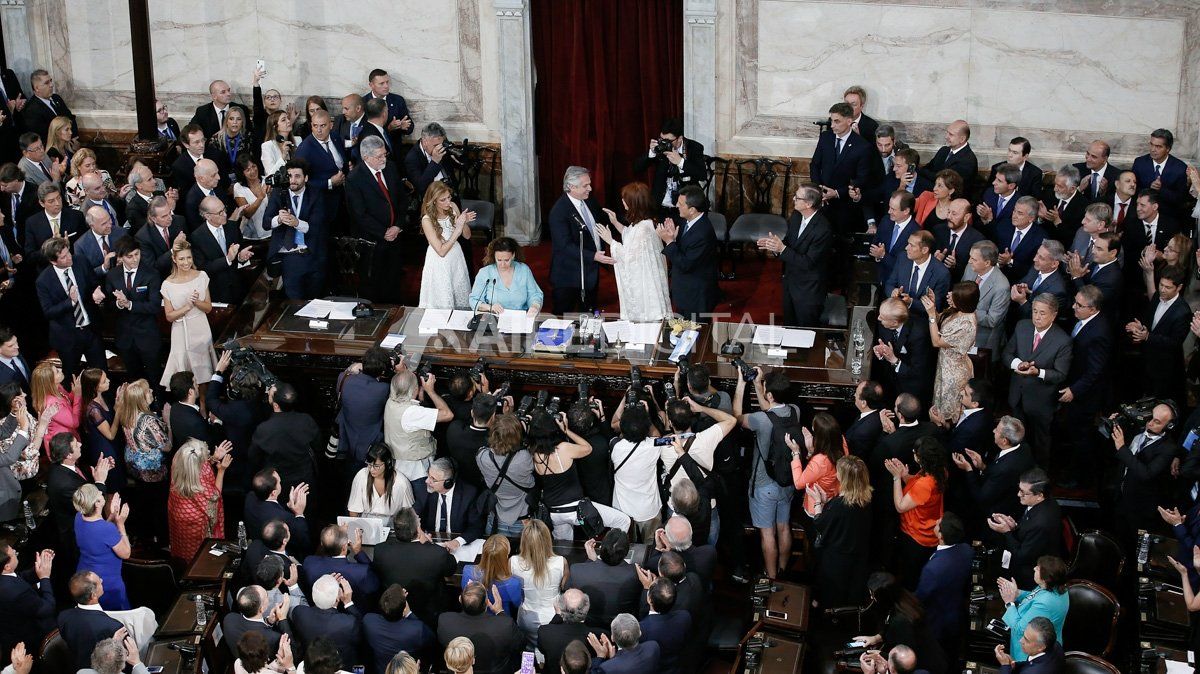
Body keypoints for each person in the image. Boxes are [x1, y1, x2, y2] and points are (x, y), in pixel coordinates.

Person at [735, 366, 800, 579]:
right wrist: (758, 384)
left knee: (768, 533)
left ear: (770, 395)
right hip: (788, 480)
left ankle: (771, 577)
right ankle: (782, 569)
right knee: (783, 528)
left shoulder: (760, 421)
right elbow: (771, 411)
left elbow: (736, 417)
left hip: (765, 485)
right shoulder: (794, 411)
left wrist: (743, 384)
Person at [528, 409, 631, 540]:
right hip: (575, 509)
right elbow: (588, 448)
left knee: (563, 547)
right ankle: (609, 555)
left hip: (554, 512)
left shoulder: (534, 454)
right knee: (623, 521)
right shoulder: (563, 448)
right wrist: (566, 430)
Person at [1003, 294, 1072, 463]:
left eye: (1042, 313)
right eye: (1034, 311)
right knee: (1016, 440)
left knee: (1040, 442)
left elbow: (1061, 374)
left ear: (1054, 315)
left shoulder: (1063, 340)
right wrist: (1017, 364)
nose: (1037, 317)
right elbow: (1007, 353)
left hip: (1040, 402)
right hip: (1017, 396)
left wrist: (1038, 372)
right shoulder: (1022, 326)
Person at [759, 183, 834, 326]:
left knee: (806, 331)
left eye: (797, 197)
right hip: (790, 282)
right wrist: (775, 246)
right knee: (789, 325)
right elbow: (789, 243)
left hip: (809, 290)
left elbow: (808, 262)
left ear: (808, 203)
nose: (793, 198)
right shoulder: (796, 216)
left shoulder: (823, 229)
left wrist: (782, 249)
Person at [595, 181, 671, 322]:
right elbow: (630, 235)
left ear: (633, 203)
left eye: (625, 199)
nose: (623, 201)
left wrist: (610, 241)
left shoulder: (643, 228)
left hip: (644, 286)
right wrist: (615, 222)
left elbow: (629, 257)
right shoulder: (644, 222)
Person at [346, 134, 407, 303]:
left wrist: (398, 226)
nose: (383, 159)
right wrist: (383, 232)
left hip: (395, 237)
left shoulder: (391, 168)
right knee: (374, 287)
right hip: (372, 243)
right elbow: (359, 214)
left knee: (394, 282)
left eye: (384, 154)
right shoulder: (354, 179)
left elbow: (403, 199)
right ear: (366, 157)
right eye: (379, 156)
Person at [36, 237, 106, 379]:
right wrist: (70, 302)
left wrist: (97, 290)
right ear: (53, 261)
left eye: (69, 253)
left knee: (101, 373)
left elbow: (94, 282)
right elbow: (48, 312)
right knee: (71, 377)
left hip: (90, 330)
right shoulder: (43, 281)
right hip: (68, 338)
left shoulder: (80, 261)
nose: (69, 258)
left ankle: (105, 400)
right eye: (63, 257)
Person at [371, 508, 457, 625]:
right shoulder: (437, 553)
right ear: (418, 528)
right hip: (427, 613)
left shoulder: (380, 550)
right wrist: (429, 545)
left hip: (392, 609)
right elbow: (451, 569)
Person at [807, 452, 872, 604]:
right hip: (857, 555)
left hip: (837, 559)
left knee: (833, 595)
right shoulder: (865, 499)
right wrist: (826, 503)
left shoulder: (840, 505)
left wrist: (818, 503)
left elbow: (820, 523)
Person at [854, 572, 948, 674]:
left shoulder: (901, 621)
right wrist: (876, 638)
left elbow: (907, 659)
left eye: (873, 594)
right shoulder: (903, 601)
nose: (872, 598)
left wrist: (882, 655)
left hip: (925, 667)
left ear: (884, 597)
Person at [886, 437, 948, 589]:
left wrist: (896, 478)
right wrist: (904, 476)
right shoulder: (938, 471)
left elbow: (900, 506)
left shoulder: (925, 484)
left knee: (911, 577)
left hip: (917, 535)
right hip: (928, 529)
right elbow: (916, 489)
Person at [952, 416, 1034, 528]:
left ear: (1004, 441)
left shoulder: (1004, 468)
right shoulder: (1024, 447)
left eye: (997, 430)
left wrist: (968, 469)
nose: (993, 430)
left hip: (998, 513)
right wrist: (983, 467)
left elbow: (981, 498)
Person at [987, 468, 1063, 588]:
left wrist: (1007, 532)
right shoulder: (1042, 503)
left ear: (1039, 495)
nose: (1018, 494)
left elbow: (1021, 557)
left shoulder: (1041, 523)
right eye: (1019, 489)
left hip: (1031, 572)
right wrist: (1014, 526)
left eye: (1024, 492)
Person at [548, 166, 609, 314]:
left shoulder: (588, 201)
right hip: (569, 277)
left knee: (588, 315)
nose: (590, 188)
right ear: (570, 186)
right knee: (563, 319)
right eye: (585, 186)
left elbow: (602, 220)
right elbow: (564, 246)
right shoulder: (559, 212)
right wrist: (593, 256)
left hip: (590, 273)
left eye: (589, 184)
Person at [264, 159, 328, 300]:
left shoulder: (316, 194)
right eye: (289, 176)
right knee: (295, 302)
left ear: (306, 178)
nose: (292, 180)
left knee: (315, 300)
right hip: (290, 256)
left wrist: (297, 223)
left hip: (312, 253)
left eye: (297, 176)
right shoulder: (278, 193)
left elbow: (317, 226)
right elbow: (266, 223)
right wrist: (279, 219)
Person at [1127, 267, 1190, 404]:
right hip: (1147, 360)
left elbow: (1174, 343)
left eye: (1167, 287)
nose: (1162, 289)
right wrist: (1141, 327)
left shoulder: (1183, 311)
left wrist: (1148, 337)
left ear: (1179, 287)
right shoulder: (1157, 297)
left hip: (1165, 369)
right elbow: (1150, 322)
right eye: (1161, 285)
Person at [915, 513, 974, 658]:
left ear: (940, 535)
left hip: (937, 621)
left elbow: (920, 597)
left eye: (938, 524)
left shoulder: (933, 569)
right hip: (957, 612)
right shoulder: (967, 550)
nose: (935, 521)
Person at [159, 239, 216, 387]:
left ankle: (203, 406)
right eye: (182, 258)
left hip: (201, 327)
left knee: (204, 372)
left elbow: (208, 308)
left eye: (189, 257)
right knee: (183, 373)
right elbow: (169, 316)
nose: (186, 262)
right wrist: (187, 306)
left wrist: (196, 302)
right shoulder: (167, 284)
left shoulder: (201, 276)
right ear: (174, 259)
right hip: (180, 331)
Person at [607, 402, 664, 542]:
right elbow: (657, 435)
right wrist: (645, 416)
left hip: (622, 510)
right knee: (652, 545)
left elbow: (614, 424)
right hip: (649, 508)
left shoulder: (615, 445)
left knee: (623, 548)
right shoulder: (654, 445)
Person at [660, 184, 719, 320]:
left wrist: (669, 242)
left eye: (680, 204)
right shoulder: (686, 221)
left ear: (692, 210)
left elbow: (685, 263)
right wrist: (673, 237)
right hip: (685, 292)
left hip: (696, 298)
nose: (676, 205)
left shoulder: (702, 233)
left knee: (695, 336)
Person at [167, 438, 231, 563]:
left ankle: (183, 565)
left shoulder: (179, 461)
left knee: (182, 543)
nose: (208, 453)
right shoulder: (199, 479)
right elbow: (214, 497)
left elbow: (195, 464)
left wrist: (213, 458)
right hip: (195, 520)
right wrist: (221, 470)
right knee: (197, 550)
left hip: (178, 510)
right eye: (205, 453)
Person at [249, 383, 319, 494]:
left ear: (276, 405)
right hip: (304, 480)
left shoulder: (264, 429)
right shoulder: (307, 420)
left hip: (278, 483)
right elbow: (318, 446)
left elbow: (254, 457)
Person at [436, 583, 522, 674]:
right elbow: (521, 644)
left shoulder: (445, 621)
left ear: (460, 600)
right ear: (487, 603)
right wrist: (500, 612)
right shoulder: (505, 625)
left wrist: (470, 593)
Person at [411, 458, 486, 560]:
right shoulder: (424, 489)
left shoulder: (469, 494)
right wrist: (421, 533)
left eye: (433, 479)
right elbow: (412, 516)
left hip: (457, 548)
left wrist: (458, 542)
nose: (427, 481)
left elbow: (476, 526)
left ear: (448, 483)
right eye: (428, 475)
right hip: (430, 543)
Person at [923, 281, 978, 419]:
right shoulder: (959, 311)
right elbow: (939, 321)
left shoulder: (966, 324)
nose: (949, 295)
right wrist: (934, 307)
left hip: (953, 374)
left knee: (947, 411)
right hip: (944, 364)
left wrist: (930, 314)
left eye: (954, 296)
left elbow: (937, 341)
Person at [999, 556, 1070, 662]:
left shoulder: (1045, 604)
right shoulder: (1054, 587)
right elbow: (1035, 596)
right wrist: (1017, 593)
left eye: (1038, 568)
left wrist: (1009, 603)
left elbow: (1020, 629)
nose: (1034, 568)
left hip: (1029, 653)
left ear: (1045, 578)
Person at [384, 369, 451, 481]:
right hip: (416, 472)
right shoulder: (412, 413)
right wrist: (430, 391)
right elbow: (447, 414)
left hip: (397, 464)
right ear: (415, 389)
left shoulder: (390, 402)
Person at [475, 413, 534, 537]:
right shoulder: (525, 458)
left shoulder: (482, 457)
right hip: (523, 520)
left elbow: (487, 447)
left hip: (495, 519)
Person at [73, 484, 131, 610]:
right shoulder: (106, 529)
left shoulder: (78, 517)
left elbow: (99, 532)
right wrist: (120, 524)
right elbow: (126, 553)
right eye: (98, 493)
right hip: (106, 582)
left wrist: (112, 516)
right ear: (98, 503)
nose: (101, 492)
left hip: (85, 574)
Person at [633, 118, 707, 215]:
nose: (664, 143)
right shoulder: (660, 147)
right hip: (660, 206)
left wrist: (681, 162)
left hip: (684, 209)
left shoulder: (694, 147)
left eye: (668, 141)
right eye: (662, 139)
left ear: (680, 138)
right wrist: (651, 152)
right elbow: (637, 168)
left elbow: (702, 175)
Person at [510, 519, 567, 646]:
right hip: (553, 617)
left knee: (528, 648)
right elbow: (563, 586)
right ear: (547, 539)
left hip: (526, 617)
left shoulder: (513, 562)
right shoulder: (561, 562)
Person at [418, 181, 474, 309]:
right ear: (433, 201)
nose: (448, 202)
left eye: (449, 197)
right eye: (443, 200)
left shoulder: (453, 206)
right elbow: (441, 252)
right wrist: (457, 229)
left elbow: (467, 235)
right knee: (443, 299)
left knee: (460, 296)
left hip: (456, 257)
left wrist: (463, 222)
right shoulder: (426, 220)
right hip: (439, 262)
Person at [292, 574, 364, 670]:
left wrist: (326, 583)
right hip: (342, 665)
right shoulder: (348, 623)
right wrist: (348, 602)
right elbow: (361, 629)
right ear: (338, 599)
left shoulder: (299, 612)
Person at [56, 572, 124, 671]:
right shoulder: (114, 627)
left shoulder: (63, 617)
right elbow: (123, 663)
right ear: (93, 595)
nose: (102, 580)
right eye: (98, 581)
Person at [0, 544, 55, 665]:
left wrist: (38, 569)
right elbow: (47, 608)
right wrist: (45, 577)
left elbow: (18, 577)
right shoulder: (17, 592)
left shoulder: (5, 576)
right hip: (28, 636)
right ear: (7, 566)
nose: (15, 551)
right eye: (13, 553)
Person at [363, 585, 435, 674]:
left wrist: (397, 602)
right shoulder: (417, 630)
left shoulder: (369, 621)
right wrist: (409, 613)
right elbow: (431, 639)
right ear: (404, 609)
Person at [786, 411, 845, 517]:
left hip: (818, 506)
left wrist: (796, 453)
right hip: (836, 500)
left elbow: (799, 483)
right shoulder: (841, 442)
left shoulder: (820, 461)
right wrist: (811, 451)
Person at [885, 230, 952, 319]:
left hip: (922, 318)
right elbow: (890, 283)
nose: (906, 248)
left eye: (911, 245)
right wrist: (893, 292)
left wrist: (911, 302)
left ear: (924, 250)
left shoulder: (941, 273)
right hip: (898, 312)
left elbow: (937, 305)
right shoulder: (903, 258)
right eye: (908, 243)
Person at [468, 237, 544, 315]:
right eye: (499, 260)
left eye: (507, 260)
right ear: (494, 256)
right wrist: (489, 307)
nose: (503, 265)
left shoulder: (523, 269)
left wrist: (535, 306)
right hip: (494, 319)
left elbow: (535, 294)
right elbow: (474, 300)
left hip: (520, 317)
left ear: (513, 255)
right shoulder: (485, 272)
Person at [960, 240, 1010, 356]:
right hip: (963, 333)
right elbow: (963, 290)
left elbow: (992, 320)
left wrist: (964, 307)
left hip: (983, 341)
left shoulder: (1001, 286)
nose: (969, 261)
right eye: (970, 257)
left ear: (987, 263)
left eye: (974, 259)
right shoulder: (970, 268)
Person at [79, 369, 124, 493]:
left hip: (112, 445)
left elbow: (110, 415)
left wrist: (117, 402)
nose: (108, 381)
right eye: (104, 381)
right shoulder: (93, 409)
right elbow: (110, 434)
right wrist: (119, 411)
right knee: (111, 489)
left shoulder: (103, 397)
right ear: (95, 387)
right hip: (104, 449)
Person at [220, 585, 292, 658]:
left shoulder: (229, 618)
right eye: (266, 595)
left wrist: (268, 621)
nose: (268, 596)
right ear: (262, 609)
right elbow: (293, 653)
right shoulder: (272, 638)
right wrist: (283, 619)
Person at [462, 534, 524, 617]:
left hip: (475, 618)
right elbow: (518, 605)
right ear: (506, 555)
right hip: (501, 620)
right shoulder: (514, 583)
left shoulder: (467, 571)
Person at [347, 442, 414, 518]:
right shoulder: (361, 476)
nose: (371, 469)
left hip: (392, 527)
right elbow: (353, 510)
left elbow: (408, 513)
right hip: (365, 525)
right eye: (369, 464)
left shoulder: (402, 483)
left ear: (387, 463)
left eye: (376, 466)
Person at [31, 358, 82, 454]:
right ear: (50, 381)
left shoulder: (58, 387)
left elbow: (66, 401)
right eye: (57, 372)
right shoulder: (52, 404)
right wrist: (78, 396)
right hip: (62, 446)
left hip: (68, 438)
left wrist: (73, 393)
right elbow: (75, 422)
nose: (61, 371)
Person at [870, 190, 921, 286]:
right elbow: (875, 245)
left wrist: (883, 256)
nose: (889, 211)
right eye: (889, 207)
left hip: (898, 285)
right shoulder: (886, 221)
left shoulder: (916, 233)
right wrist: (877, 256)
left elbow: (906, 266)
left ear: (906, 211)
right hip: (879, 279)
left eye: (893, 209)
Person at [586, 614, 661, 674]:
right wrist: (614, 658)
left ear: (612, 638)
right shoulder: (653, 647)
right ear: (640, 633)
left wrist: (600, 656)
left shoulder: (607, 668)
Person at [994, 618, 1065, 674]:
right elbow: (1032, 663)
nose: (1021, 641)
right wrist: (1014, 664)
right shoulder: (1056, 645)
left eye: (1026, 640)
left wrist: (1005, 666)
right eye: (1023, 635)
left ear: (1041, 647)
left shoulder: (1034, 672)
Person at [232, 154, 272, 243]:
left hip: (271, 232)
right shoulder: (238, 187)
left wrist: (271, 195)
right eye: (248, 170)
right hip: (251, 237)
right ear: (242, 173)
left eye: (254, 166)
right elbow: (247, 214)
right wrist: (260, 197)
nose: (253, 171)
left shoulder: (267, 181)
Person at [210, 106, 252, 184]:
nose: (235, 122)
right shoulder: (216, 139)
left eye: (238, 119)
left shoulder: (248, 137)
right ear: (226, 121)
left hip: (244, 179)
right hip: (222, 180)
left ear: (243, 122)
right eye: (231, 119)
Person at [260, 109, 300, 177]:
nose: (288, 121)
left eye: (288, 118)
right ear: (276, 127)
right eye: (283, 120)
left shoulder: (298, 140)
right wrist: (283, 156)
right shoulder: (267, 146)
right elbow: (270, 174)